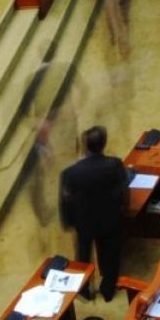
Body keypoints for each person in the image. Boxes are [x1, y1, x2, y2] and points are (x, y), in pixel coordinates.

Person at [59, 127, 128, 302]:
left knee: (83, 255)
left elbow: (66, 201)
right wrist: (123, 210)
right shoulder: (114, 165)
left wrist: (69, 222)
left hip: (84, 222)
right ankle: (108, 290)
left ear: (85, 146)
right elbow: (123, 191)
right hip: (110, 219)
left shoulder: (70, 173)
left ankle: (84, 290)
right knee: (110, 256)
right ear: (104, 144)